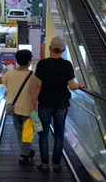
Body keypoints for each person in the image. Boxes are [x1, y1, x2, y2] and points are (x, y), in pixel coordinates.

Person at [31, 37, 85, 172]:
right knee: (59, 134)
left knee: (43, 134)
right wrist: (79, 86)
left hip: (45, 103)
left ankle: (44, 164)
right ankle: (56, 164)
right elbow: (72, 86)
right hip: (61, 104)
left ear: (49, 48)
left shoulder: (42, 64)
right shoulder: (67, 65)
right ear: (63, 50)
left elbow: (37, 86)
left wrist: (34, 104)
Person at [0, 50, 35, 165]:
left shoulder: (9, 73)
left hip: (14, 109)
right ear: (29, 61)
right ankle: (24, 154)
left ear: (17, 61)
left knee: (19, 130)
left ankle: (25, 151)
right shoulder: (32, 75)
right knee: (27, 132)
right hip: (28, 109)